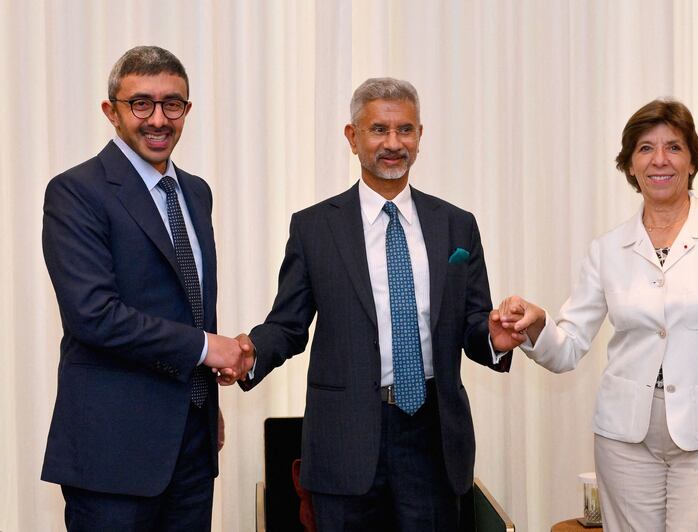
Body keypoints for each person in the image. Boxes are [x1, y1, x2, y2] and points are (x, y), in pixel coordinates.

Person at [236, 77, 520, 531]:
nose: (393, 143)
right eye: (378, 130)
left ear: (420, 137)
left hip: (434, 439)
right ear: (352, 137)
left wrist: (494, 338)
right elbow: (288, 325)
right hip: (345, 441)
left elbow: (473, 322)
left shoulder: (456, 225)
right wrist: (249, 352)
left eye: (405, 130)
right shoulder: (314, 228)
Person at [497, 99, 698, 531]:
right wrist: (536, 323)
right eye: (646, 148)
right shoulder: (607, 249)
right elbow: (568, 348)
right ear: (630, 165)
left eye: (674, 147)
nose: (660, 160)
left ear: (692, 160)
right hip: (625, 439)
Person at [41, 46, 252, 531]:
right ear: (111, 111)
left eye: (172, 104)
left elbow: (190, 303)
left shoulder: (195, 192)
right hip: (113, 452)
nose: (158, 119)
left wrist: (202, 401)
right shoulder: (76, 192)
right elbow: (93, 315)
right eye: (141, 103)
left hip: (193, 444)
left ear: (187, 110)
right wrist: (207, 350)